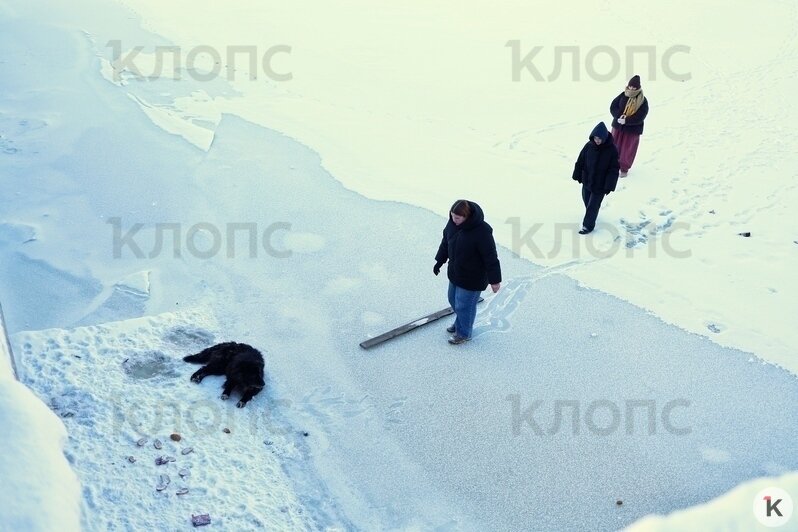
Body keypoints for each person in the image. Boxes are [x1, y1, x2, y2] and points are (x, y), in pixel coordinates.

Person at [433, 199, 501, 345]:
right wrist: (439, 260)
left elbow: (490, 256)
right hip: (456, 272)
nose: (453, 220)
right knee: (453, 300)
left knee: (464, 306)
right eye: (452, 216)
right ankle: (460, 323)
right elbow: (446, 243)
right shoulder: (452, 225)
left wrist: (494, 280)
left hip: (473, 277)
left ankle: (464, 333)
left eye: (457, 218)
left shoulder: (482, 231)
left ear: (467, 217)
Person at [572, 122, 620, 234]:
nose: (597, 140)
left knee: (593, 205)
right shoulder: (589, 146)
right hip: (587, 181)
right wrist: (577, 174)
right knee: (587, 201)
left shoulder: (612, 149)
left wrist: (609, 185)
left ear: (604, 138)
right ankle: (591, 214)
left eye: (599, 139)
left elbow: (614, 169)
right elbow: (581, 160)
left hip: (600, 185)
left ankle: (587, 226)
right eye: (595, 138)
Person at [609, 75, 649, 177]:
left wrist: (626, 121)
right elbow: (613, 106)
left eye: (634, 87)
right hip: (618, 126)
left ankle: (624, 169)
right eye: (630, 86)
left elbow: (641, 116)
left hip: (632, 129)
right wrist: (618, 116)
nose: (631, 89)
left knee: (627, 149)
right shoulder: (623, 95)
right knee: (613, 146)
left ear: (638, 87)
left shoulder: (642, 100)